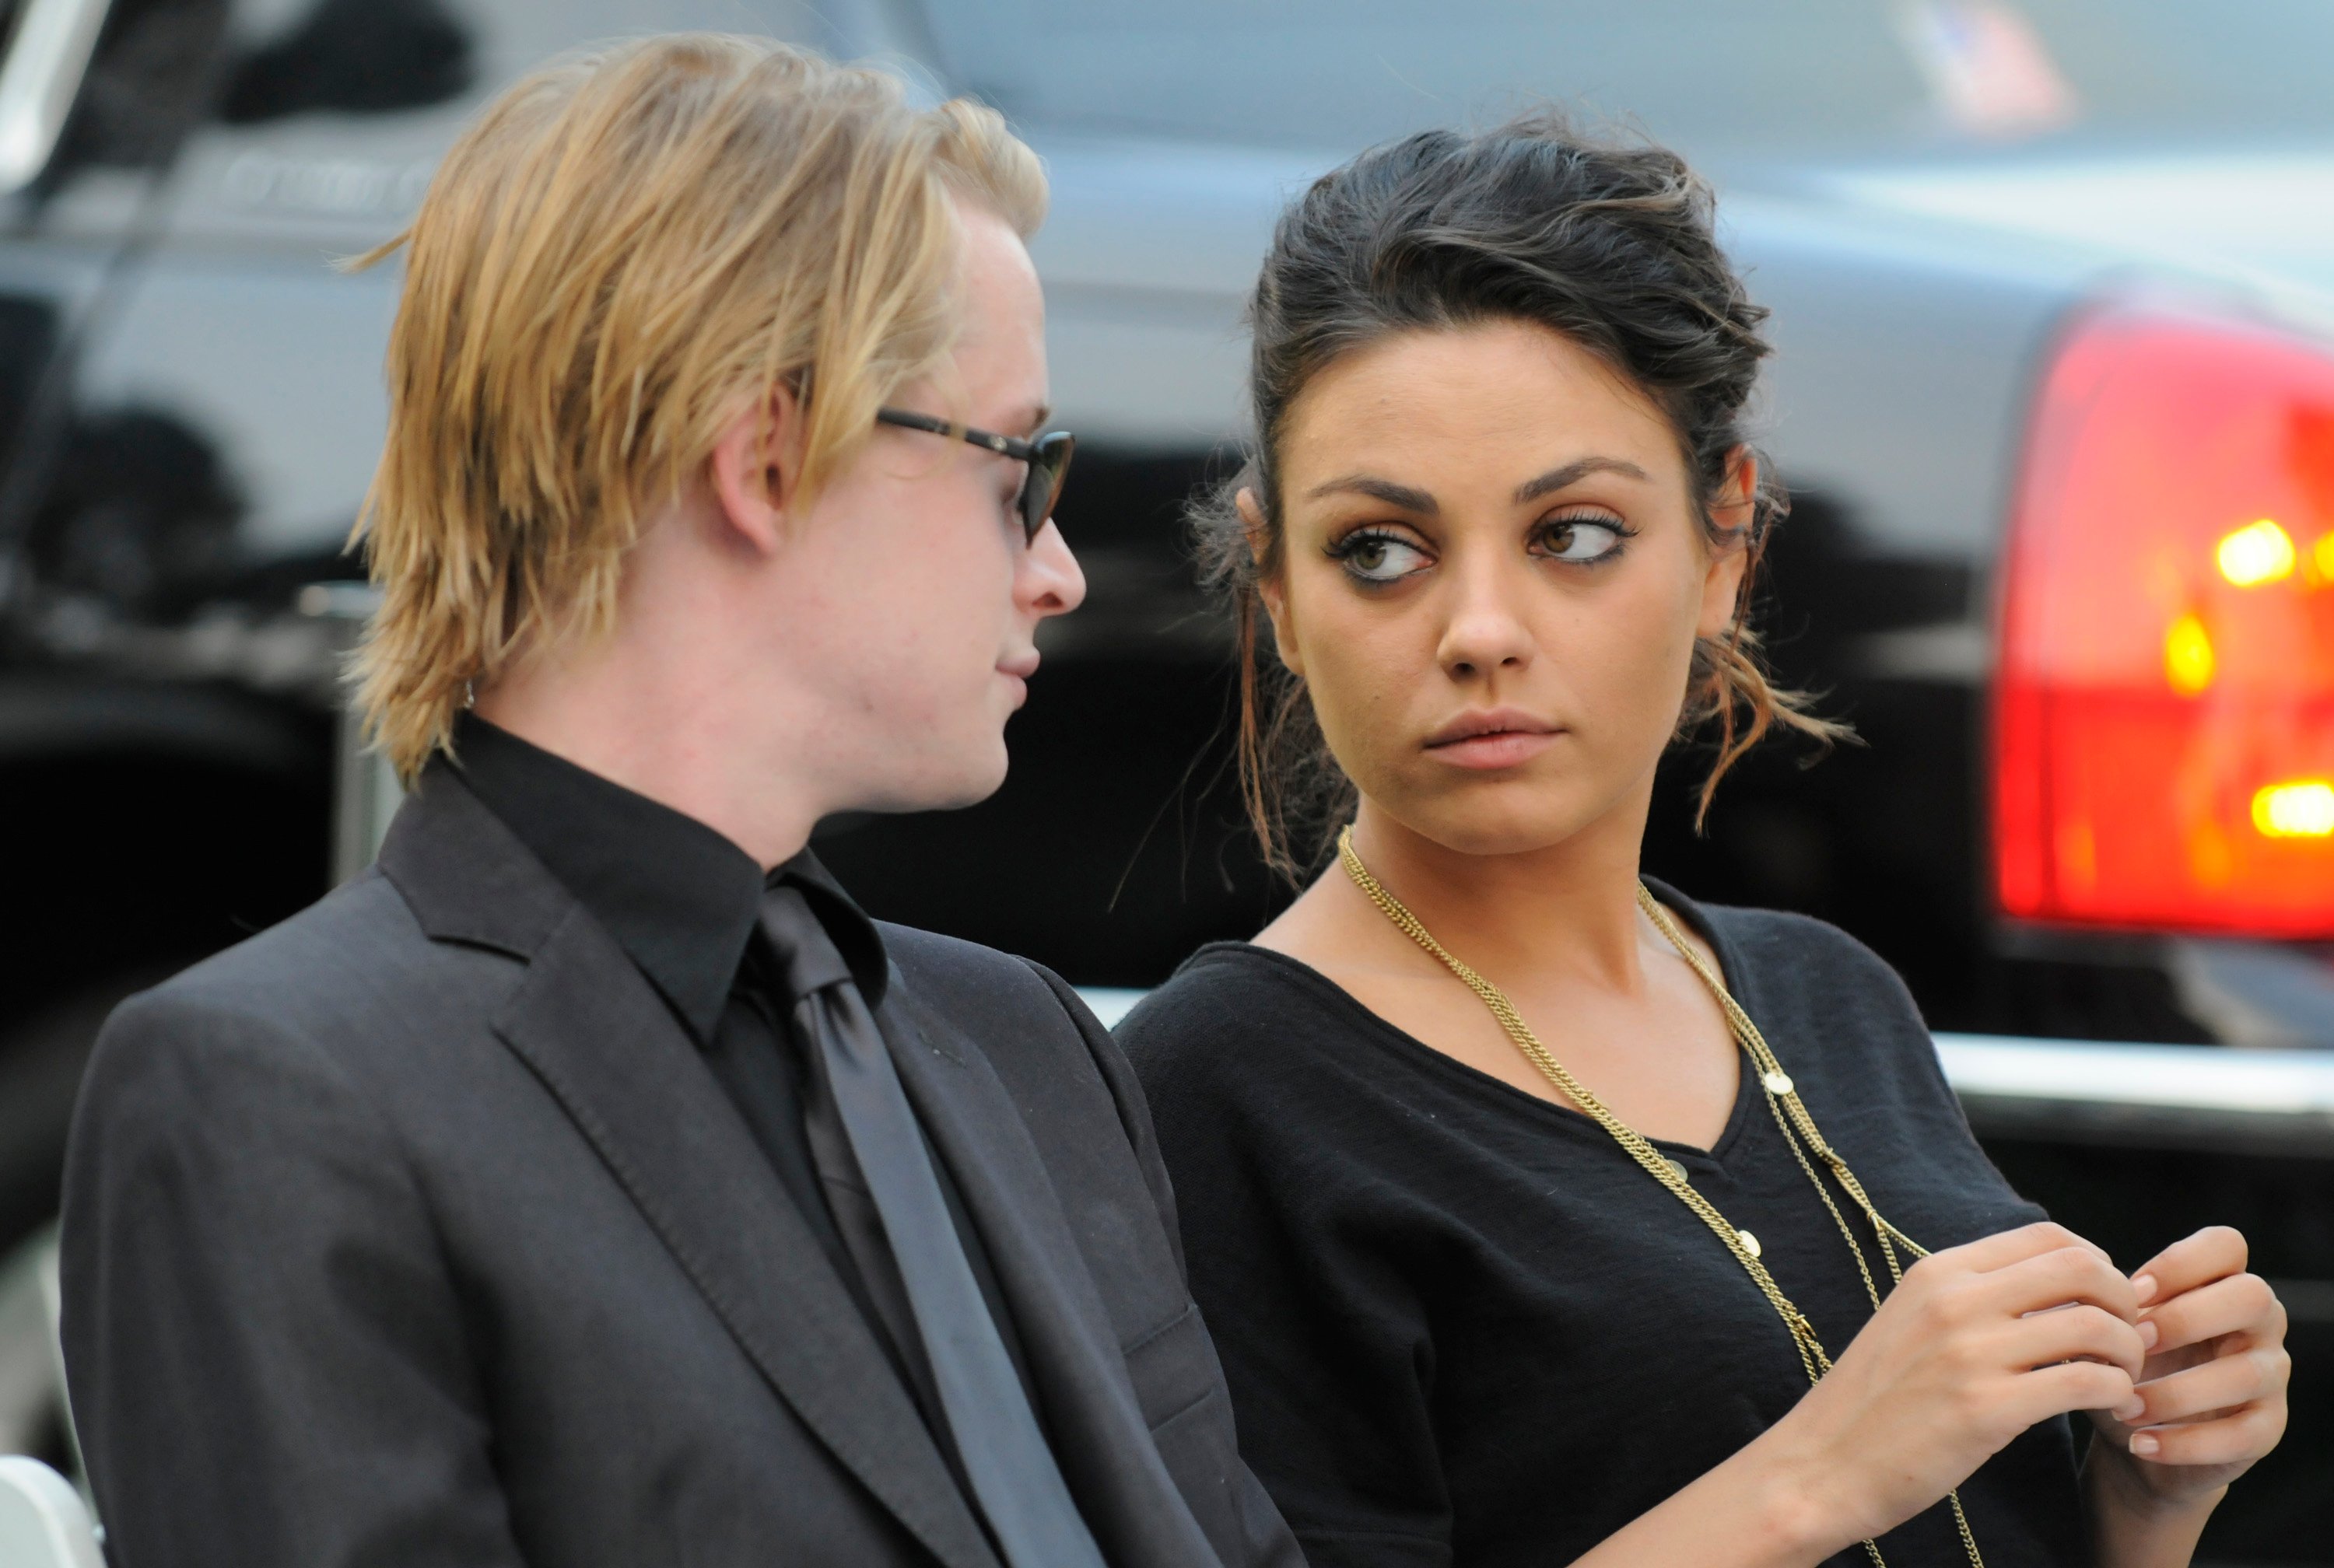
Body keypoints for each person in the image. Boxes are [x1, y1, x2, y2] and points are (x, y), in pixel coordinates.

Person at [59, 35, 1297, 1568]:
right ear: (767, 457)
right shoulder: (278, 1094)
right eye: (1019, 469)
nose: (1055, 568)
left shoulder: (1031, 1050)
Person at [1116, 115, 2290, 1568]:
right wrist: (1817, 1478)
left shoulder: (1826, 997)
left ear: (1724, 544)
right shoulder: (1213, 1093)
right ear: (1279, 589)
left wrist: (2143, 1497)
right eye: (1381, 550)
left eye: (1576, 534)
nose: (1480, 631)